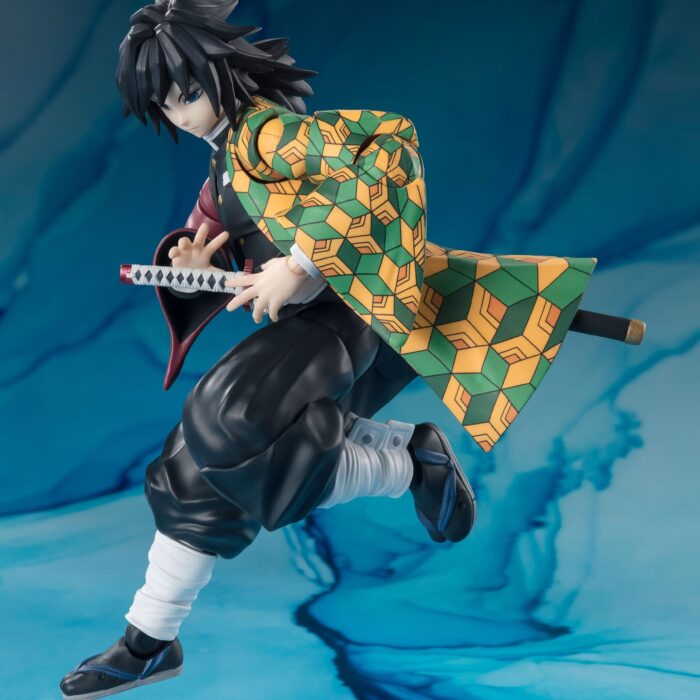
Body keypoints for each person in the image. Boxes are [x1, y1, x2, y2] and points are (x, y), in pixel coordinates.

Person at [60, 2, 483, 697]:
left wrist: (304, 262)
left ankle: (406, 466)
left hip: (344, 316)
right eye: (164, 104)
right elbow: (220, 231)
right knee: (191, 468)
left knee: (226, 419)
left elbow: (388, 152)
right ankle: (149, 640)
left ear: (220, 72)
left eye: (186, 93)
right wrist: (195, 262)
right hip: (310, 326)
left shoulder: (268, 135)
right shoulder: (227, 156)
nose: (178, 113)